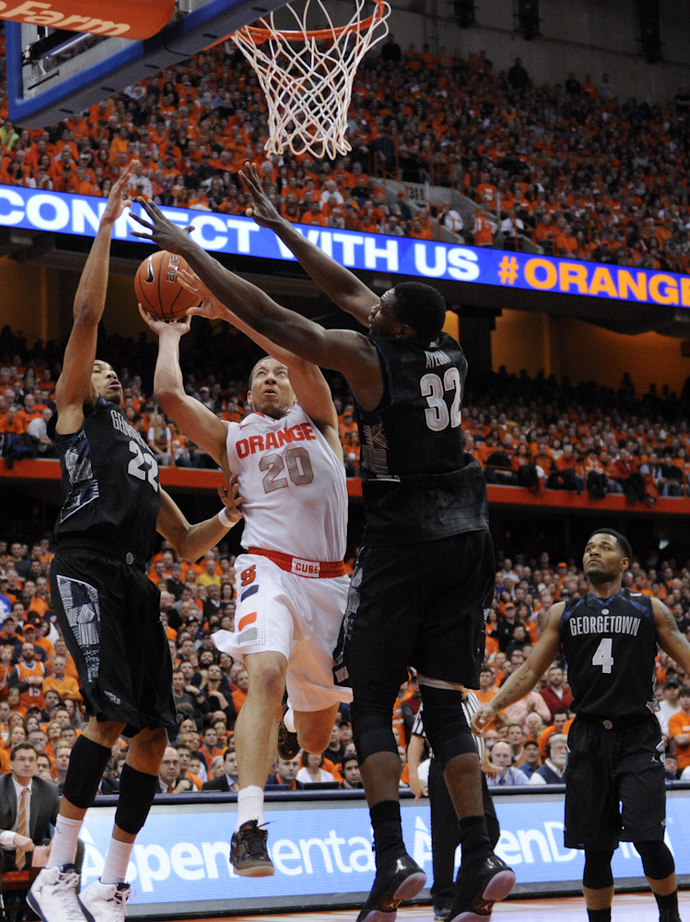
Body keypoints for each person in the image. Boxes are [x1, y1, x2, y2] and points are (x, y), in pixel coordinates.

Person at [130, 163, 515, 922]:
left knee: (365, 700)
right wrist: (281, 229)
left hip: (397, 541)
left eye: (380, 315)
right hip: (467, 531)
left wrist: (193, 253)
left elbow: (288, 325)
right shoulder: (445, 352)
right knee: (441, 705)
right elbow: (349, 294)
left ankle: (393, 859)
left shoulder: (360, 374)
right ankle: (479, 854)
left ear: (394, 328)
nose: (369, 315)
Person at [27, 162, 243, 922]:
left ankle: (109, 882)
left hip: (136, 580)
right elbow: (86, 319)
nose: (109, 371)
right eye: (102, 369)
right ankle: (55, 874)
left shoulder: (143, 451)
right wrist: (107, 227)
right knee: (109, 715)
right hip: (84, 567)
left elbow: (184, 543)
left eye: (119, 370)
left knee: (153, 734)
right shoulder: (76, 416)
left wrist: (230, 515)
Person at [140, 270, 351, 878]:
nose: (270, 376)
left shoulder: (320, 422)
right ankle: (248, 828)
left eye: (277, 370)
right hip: (266, 569)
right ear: (247, 391)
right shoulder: (233, 439)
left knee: (314, 739)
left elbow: (298, 351)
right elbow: (171, 399)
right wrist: (172, 333)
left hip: (331, 583)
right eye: (259, 373)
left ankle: (290, 723)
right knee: (264, 672)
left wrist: (227, 311)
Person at [472, 528, 690, 922]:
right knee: (596, 850)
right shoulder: (563, 612)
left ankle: (670, 916)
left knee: (648, 839)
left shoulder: (649, 608)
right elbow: (529, 670)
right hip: (588, 735)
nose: (593, 552)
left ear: (624, 563)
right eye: (589, 547)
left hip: (637, 735)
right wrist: (494, 705)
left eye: (604, 547)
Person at [407, 690, 500, 921]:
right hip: (444, 767)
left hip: (473, 769)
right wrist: (413, 776)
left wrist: (485, 761)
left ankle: (465, 883)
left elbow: (477, 734)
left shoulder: (475, 698)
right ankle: (443, 899)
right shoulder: (434, 699)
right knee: (445, 836)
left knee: (491, 828)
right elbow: (417, 738)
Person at [0, 743, 83, 922]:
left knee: (76, 843)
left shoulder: (49, 789)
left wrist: (60, 837)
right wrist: (14, 837)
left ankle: (69, 904)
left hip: (33, 856)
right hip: (2, 856)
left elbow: (64, 824)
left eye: (31, 760)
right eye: (22, 759)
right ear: (10, 765)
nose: (27, 764)